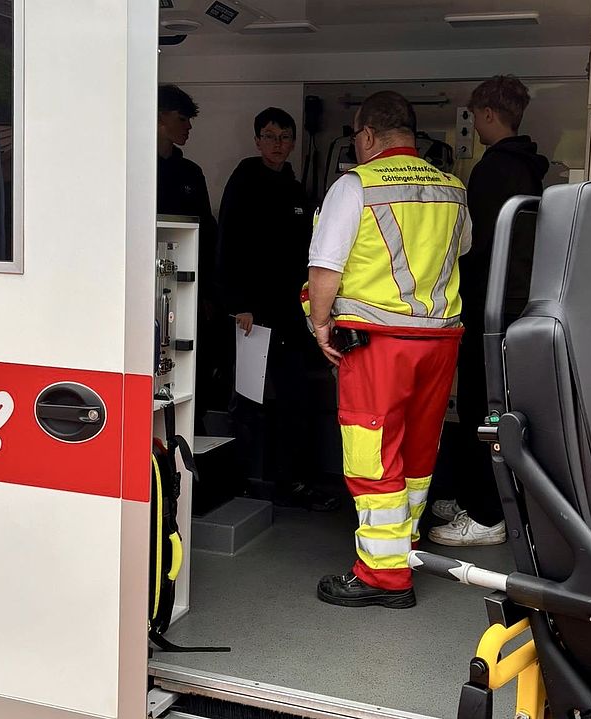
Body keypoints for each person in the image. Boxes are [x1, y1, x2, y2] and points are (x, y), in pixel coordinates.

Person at [307, 91, 472, 609]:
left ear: (368, 135)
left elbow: (326, 267)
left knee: (372, 456)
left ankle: (383, 577)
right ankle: (405, 548)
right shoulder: (453, 189)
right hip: (440, 340)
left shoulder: (354, 185)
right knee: (419, 452)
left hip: (378, 344)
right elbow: (461, 248)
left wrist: (318, 323)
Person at [428, 75, 549, 546]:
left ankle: (485, 515)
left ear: (490, 115)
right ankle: (479, 496)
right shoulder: (531, 167)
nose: (473, 124)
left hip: (490, 308)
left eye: (476, 115)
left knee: (485, 410)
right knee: (497, 409)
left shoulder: (493, 170)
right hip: (516, 306)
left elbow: (473, 246)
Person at [218, 107, 338, 512]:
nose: (277, 145)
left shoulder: (294, 187)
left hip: (291, 313)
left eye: (285, 137)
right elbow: (229, 244)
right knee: (251, 399)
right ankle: (246, 481)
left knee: (292, 398)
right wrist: (238, 305)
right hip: (254, 314)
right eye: (269, 136)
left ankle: (290, 482)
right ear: (257, 140)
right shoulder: (244, 181)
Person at [156, 86, 228, 421]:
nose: (188, 127)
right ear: (159, 119)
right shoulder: (133, 166)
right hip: (147, 287)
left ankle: (188, 439)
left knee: (188, 363)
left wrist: (210, 292)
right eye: (181, 118)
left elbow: (207, 232)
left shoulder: (190, 173)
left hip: (187, 286)